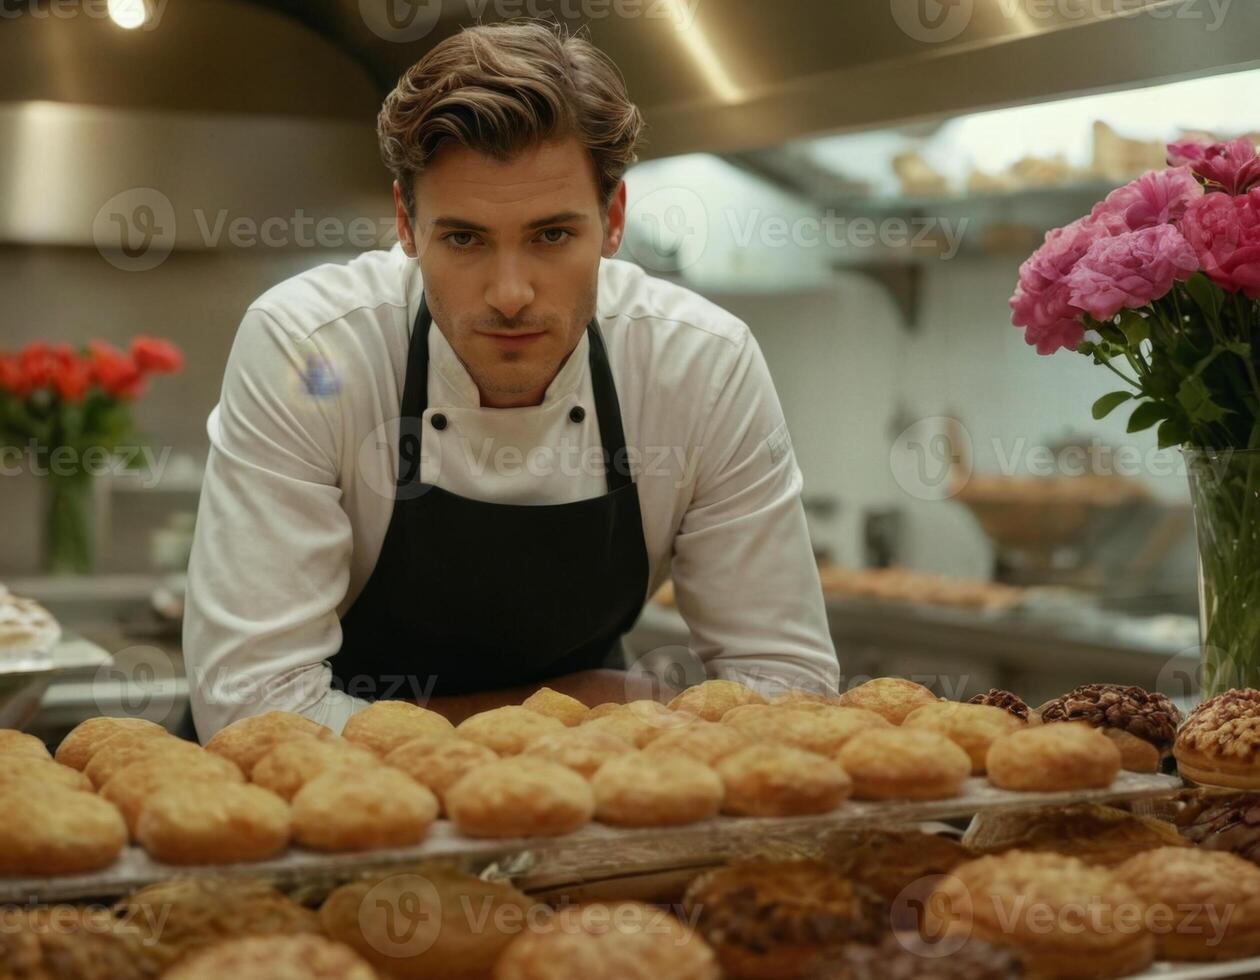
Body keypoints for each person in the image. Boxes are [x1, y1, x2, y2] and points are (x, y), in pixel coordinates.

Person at [183, 20, 838, 739]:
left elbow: (789, 689)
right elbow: (250, 711)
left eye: (551, 235)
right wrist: (576, 708)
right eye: (463, 239)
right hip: (322, 813)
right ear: (406, 224)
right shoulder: (308, 351)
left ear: (612, 220)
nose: (510, 293)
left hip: (587, 814)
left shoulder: (700, 367)